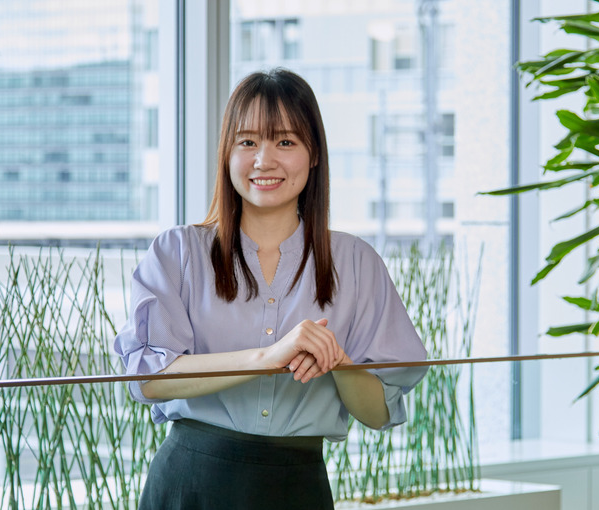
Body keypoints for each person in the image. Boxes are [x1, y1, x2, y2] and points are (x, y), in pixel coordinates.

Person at [113, 68, 428, 509]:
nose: (263, 160)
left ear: (313, 154)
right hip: (191, 485)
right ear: (227, 153)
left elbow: (378, 414)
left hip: (298, 488)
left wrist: (339, 362)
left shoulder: (357, 262)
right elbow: (147, 379)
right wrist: (268, 357)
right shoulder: (178, 251)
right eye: (247, 142)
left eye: (285, 142)